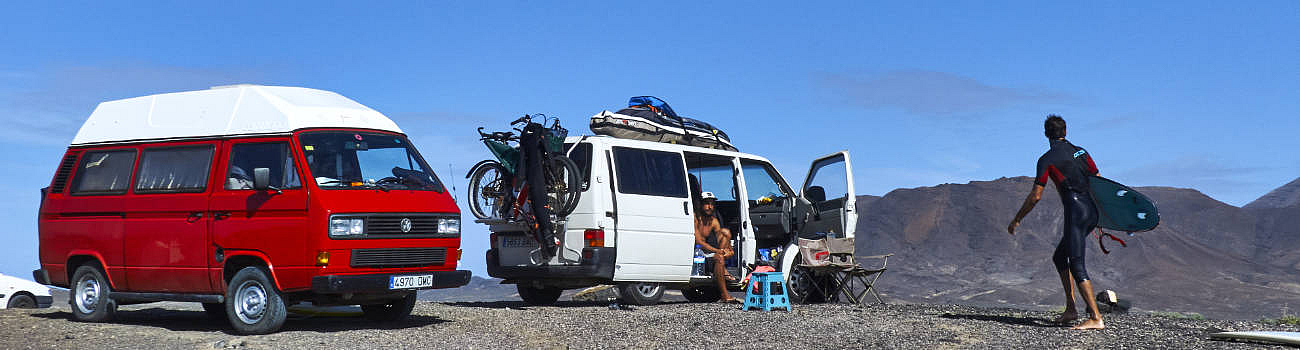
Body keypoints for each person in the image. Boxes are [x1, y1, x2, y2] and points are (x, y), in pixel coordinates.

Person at [1007, 115, 1105, 330]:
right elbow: (1098, 179)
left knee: (1077, 264)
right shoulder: (1081, 151)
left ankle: (1096, 318)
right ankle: (1071, 309)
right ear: (1066, 131)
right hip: (1091, 211)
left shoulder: (1047, 159)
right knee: (1060, 256)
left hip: (1076, 211)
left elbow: (1036, 196)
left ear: (1045, 134)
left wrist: (1017, 219)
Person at [694, 192, 739, 303]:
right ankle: (725, 295)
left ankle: (722, 267)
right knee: (719, 257)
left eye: (712, 204)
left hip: (710, 253)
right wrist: (718, 251)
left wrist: (729, 250)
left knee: (725, 232)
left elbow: (721, 236)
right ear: (701, 204)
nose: (710, 207)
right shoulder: (695, 218)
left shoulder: (713, 221)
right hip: (698, 254)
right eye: (707, 204)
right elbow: (699, 241)